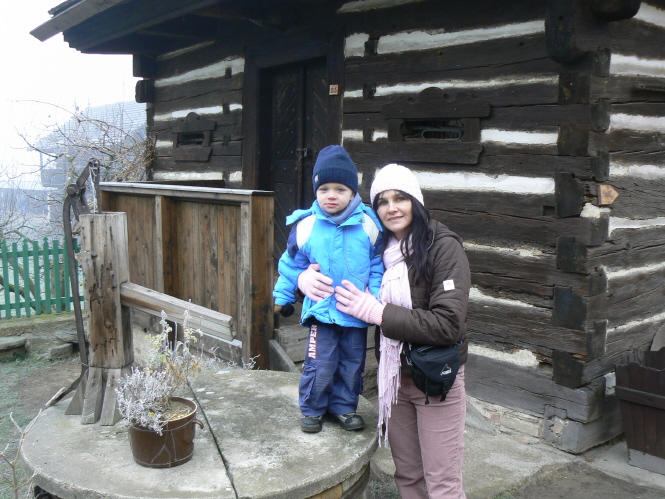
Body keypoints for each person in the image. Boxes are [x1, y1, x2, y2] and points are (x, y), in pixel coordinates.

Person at [335, 163, 471, 498]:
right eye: (382, 201)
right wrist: (302, 280)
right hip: (394, 378)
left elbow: (447, 324)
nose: (391, 207)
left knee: (443, 485)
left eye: (400, 198)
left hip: (436, 380)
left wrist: (379, 312)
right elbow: (331, 267)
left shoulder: (443, 246)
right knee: (408, 477)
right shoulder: (378, 250)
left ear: (416, 201)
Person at [273, 145, 384, 434]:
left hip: (355, 312)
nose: (331, 195)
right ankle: (312, 408)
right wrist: (284, 295)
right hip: (322, 312)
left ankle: (345, 408)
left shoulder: (368, 224)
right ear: (316, 191)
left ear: (352, 192)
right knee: (320, 363)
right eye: (324, 189)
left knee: (352, 363)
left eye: (339, 189)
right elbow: (290, 264)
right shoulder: (306, 225)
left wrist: (374, 295)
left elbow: (376, 264)